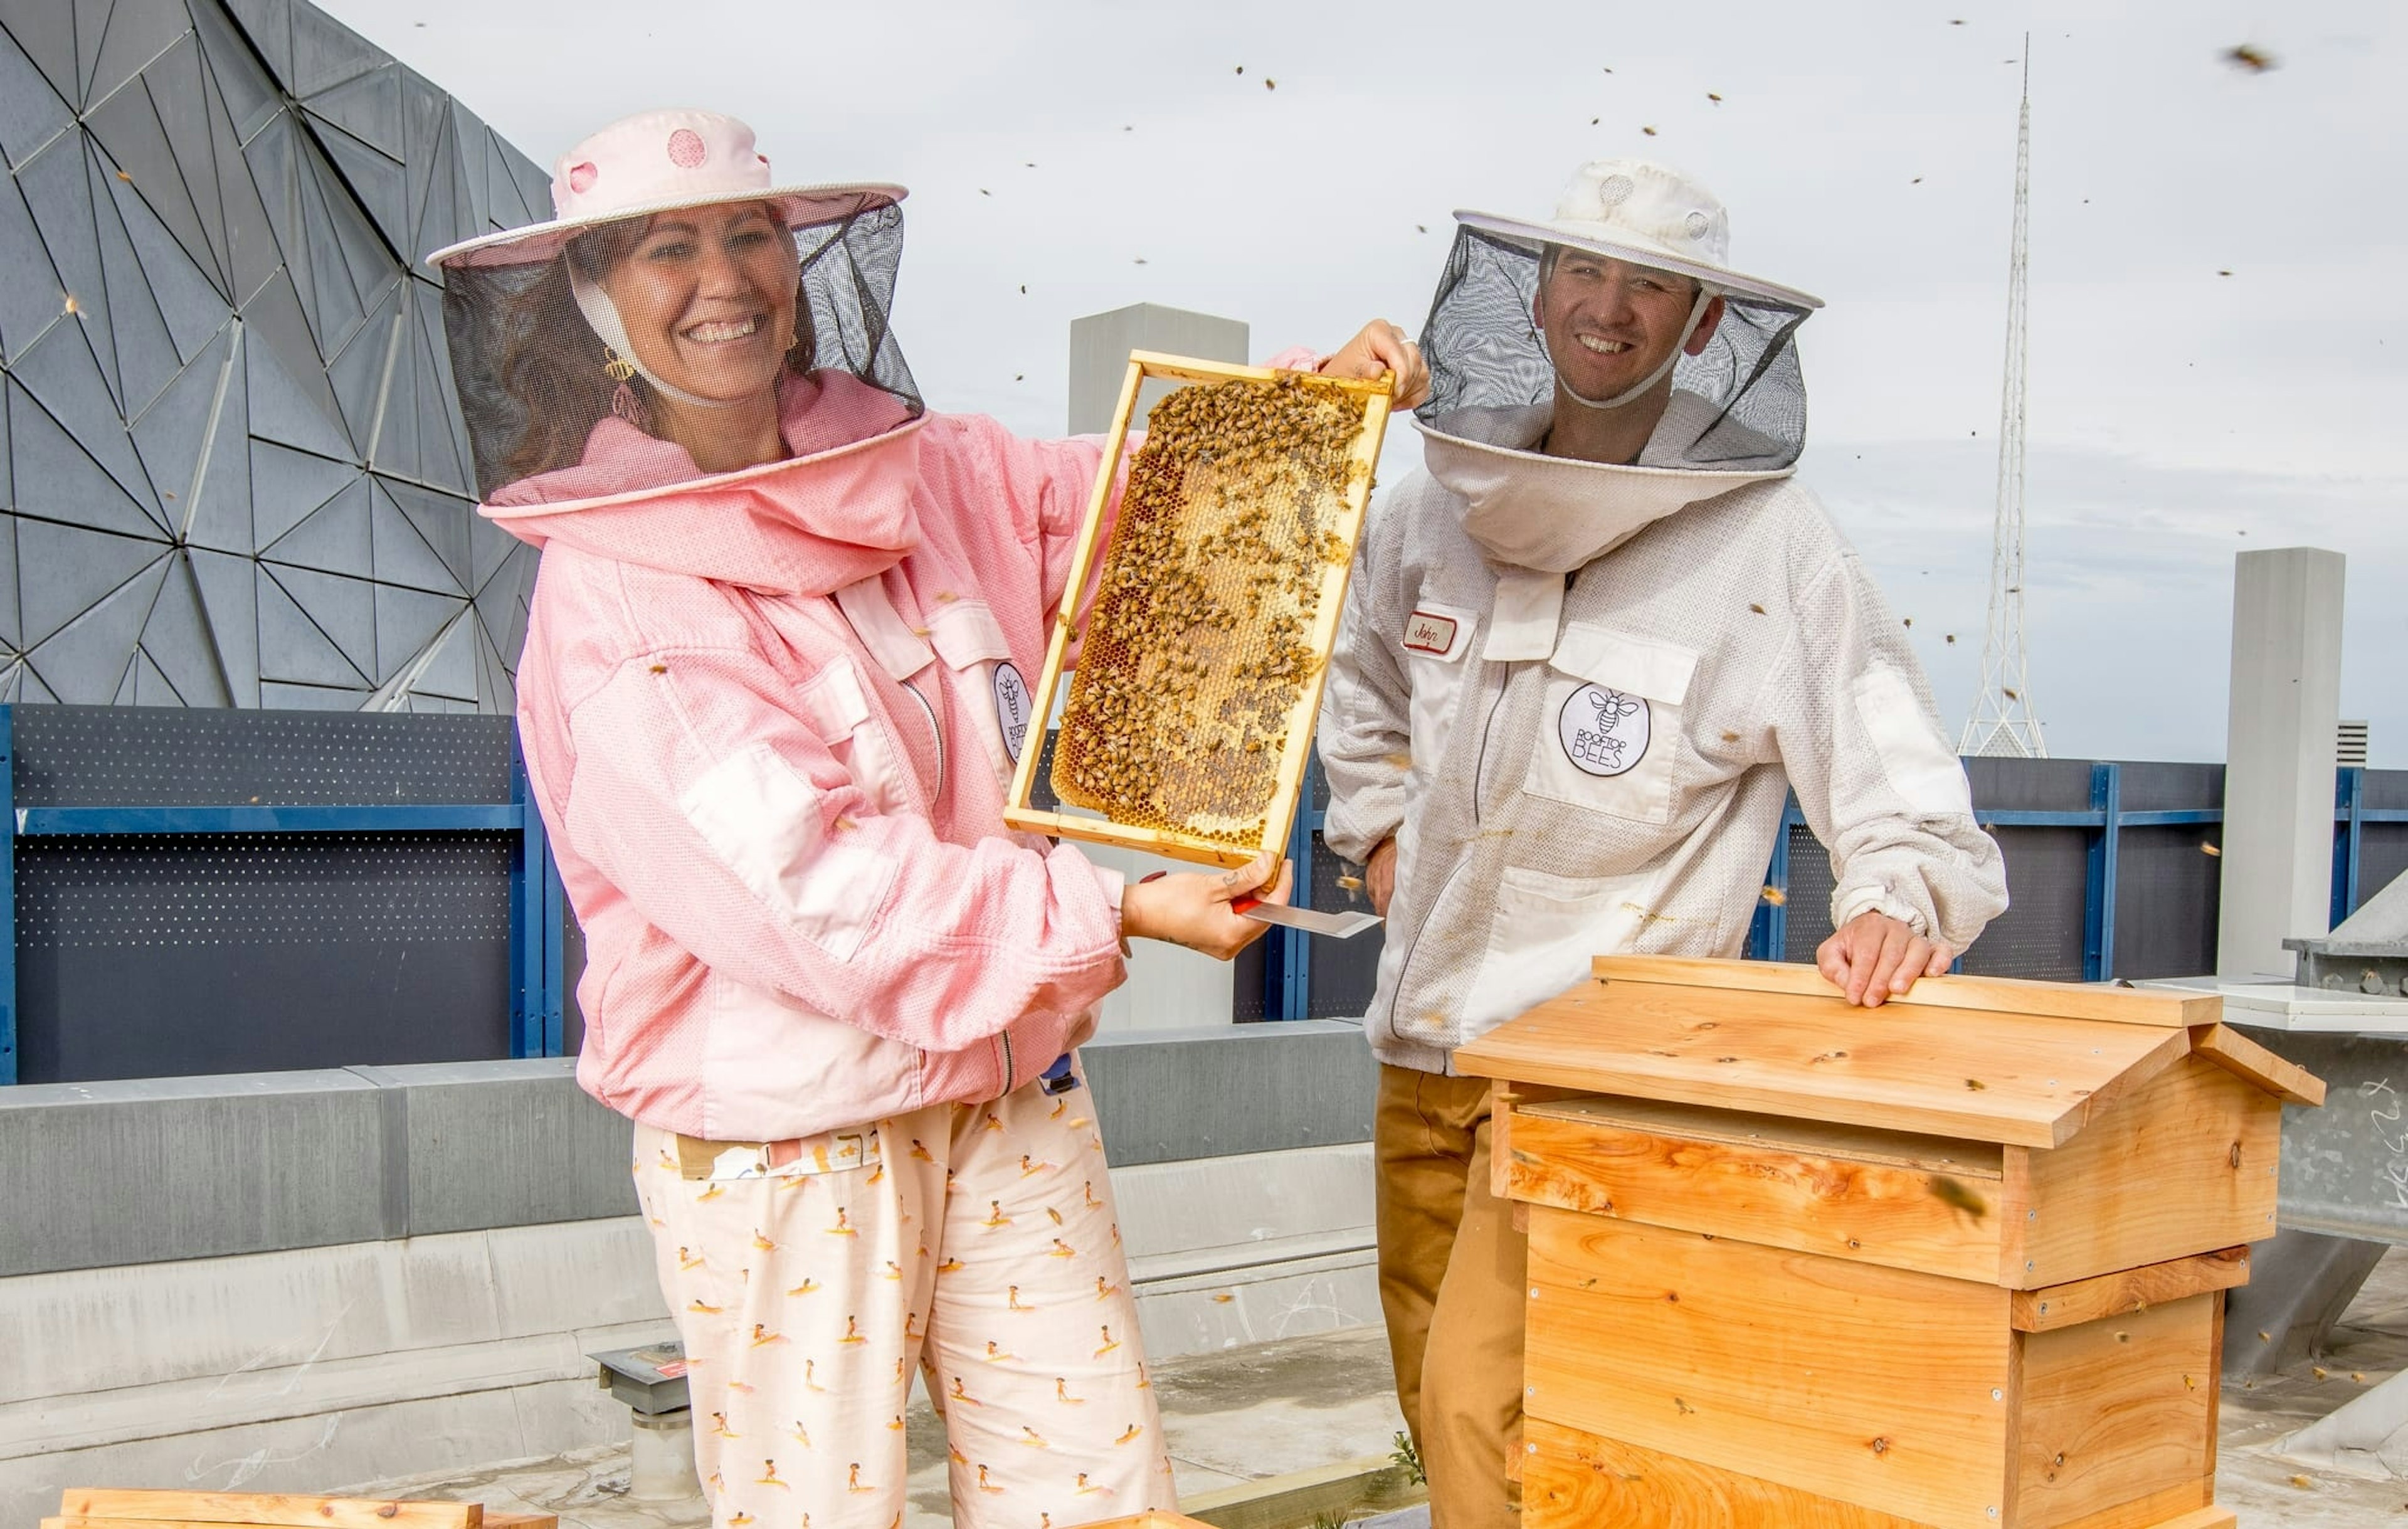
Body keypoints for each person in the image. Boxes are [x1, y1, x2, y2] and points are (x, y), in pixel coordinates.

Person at [430, 108, 1427, 1529]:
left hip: (1009, 1088)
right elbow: (816, 896)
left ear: (801, 256)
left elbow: (1130, 517)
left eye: (749, 233)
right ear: (595, 297)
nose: (724, 278)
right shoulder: (618, 610)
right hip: (796, 1140)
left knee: (1098, 1495)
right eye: (668, 248)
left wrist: (1297, 418)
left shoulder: (930, 469)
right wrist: (1118, 907)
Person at [1315, 157, 2010, 1528]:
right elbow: (1360, 684)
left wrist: (1900, 893)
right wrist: (1380, 835)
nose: (1610, 309)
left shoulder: (1768, 543)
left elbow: (1892, 761)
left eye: (1652, 285)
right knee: (1447, 1412)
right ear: (1536, 287)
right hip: (1421, 1053)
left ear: (1704, 324)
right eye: (1588, 271)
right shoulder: (1428, 505)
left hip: (1596, 1074)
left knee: (1487, 1410)